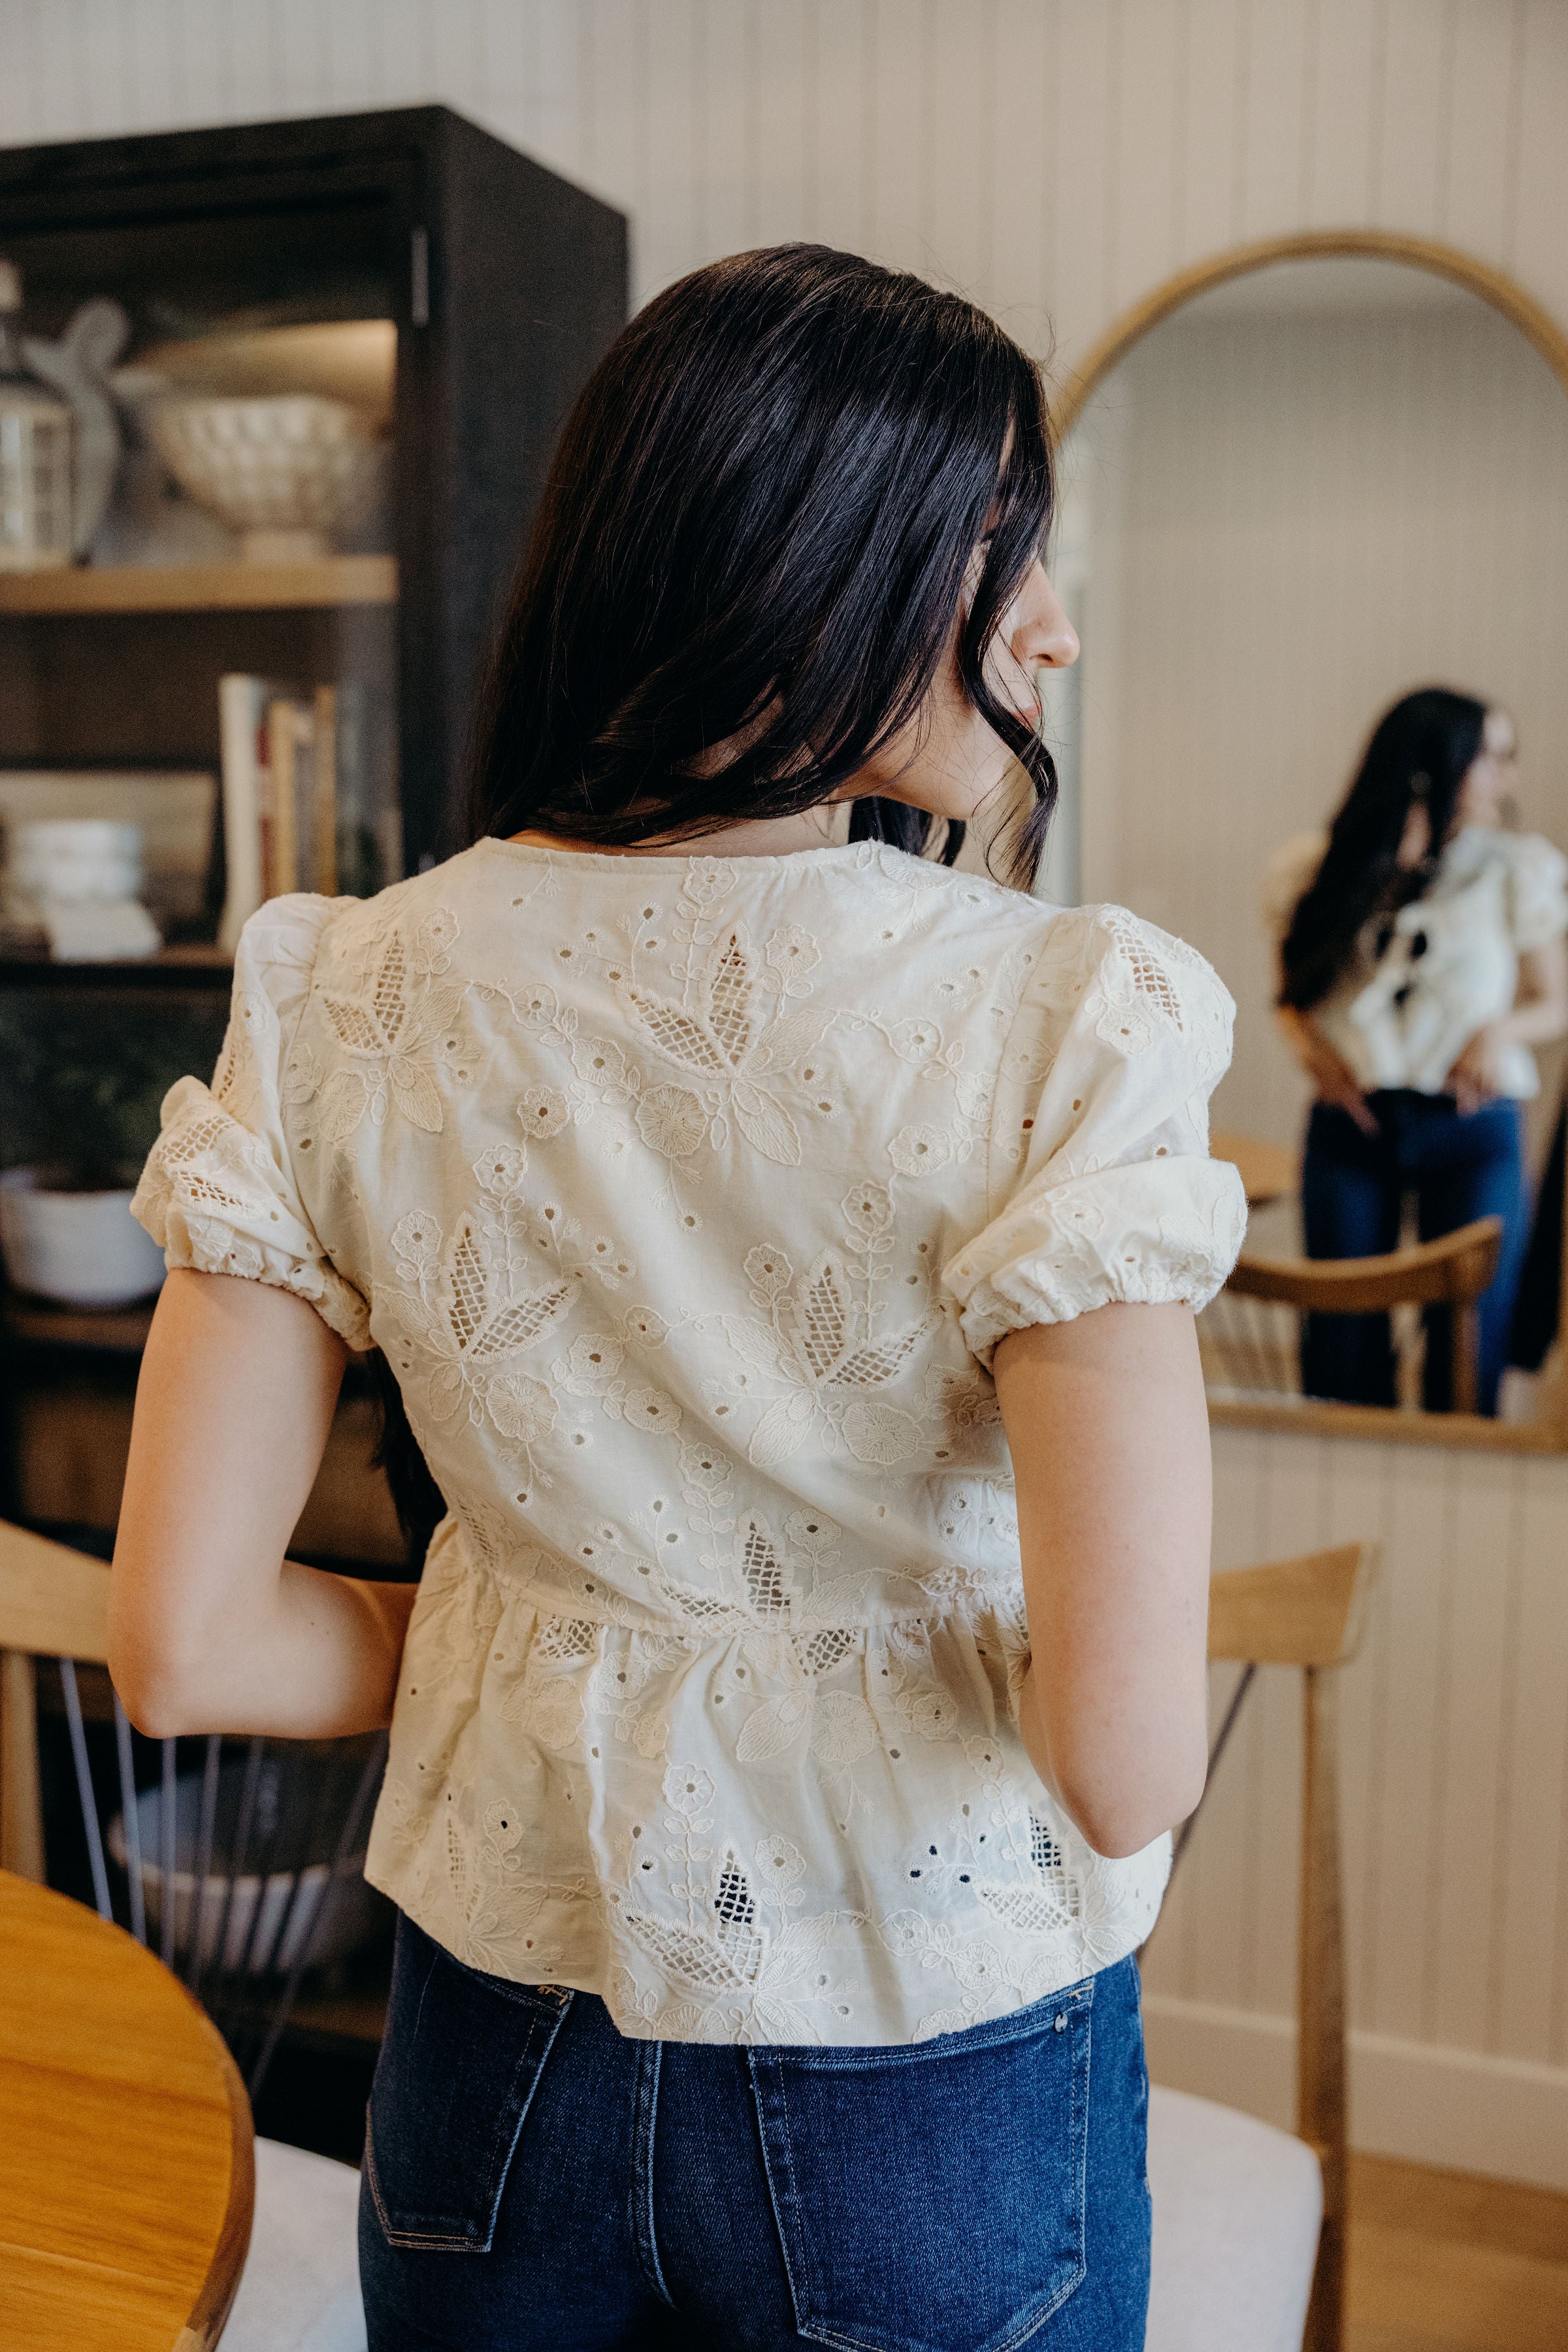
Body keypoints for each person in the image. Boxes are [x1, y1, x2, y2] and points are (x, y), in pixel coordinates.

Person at [109, 247, 1246, 2351]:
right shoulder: (1055, 1018)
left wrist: (525, 1638)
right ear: (820, 559)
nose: (1053, 633)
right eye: (1009, 567)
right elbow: (1117, 1759)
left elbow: (176, 1646)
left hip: (490, 2053)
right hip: (934, 2058)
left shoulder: (348, 991)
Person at [1269, 688, 1568, 1414]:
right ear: (1438, 764)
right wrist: (1314, 1056)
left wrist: (1496, 1032)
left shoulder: (1513, 869)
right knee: (1341, 1342)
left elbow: (1556, 1000)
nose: (1508, 778)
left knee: (1471, 1342)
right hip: (1355, 1125)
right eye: (1494, 758)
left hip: (1473, 1123)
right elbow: (1293, 996)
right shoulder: (1320, 867)